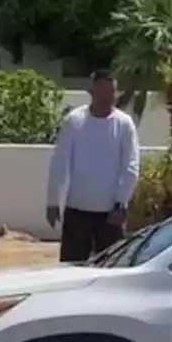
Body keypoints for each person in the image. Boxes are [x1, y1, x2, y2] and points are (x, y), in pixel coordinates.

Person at [45, 69, 140, 263]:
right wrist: (53, 201)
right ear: (92, 91)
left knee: (110, 268)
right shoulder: (74, 121)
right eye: (103, 91)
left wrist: (121, 202)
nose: (107, 97)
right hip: (77, 210)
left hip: (110, 214)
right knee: (72, 267)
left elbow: (130, 165)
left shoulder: (124, 124)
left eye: (111, 92)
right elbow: (60, 162)